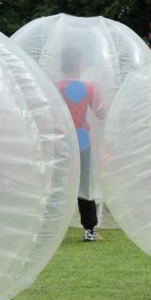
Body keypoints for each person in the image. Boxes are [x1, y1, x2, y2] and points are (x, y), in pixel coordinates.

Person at [59, 48, 106, 241]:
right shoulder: (88, 88)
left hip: (61, 140)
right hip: (82, 140)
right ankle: (89, 230)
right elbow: (102, 113)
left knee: (58, 182)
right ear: (78, 64)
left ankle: (49, 228)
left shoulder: (54, 87)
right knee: (84, 184)